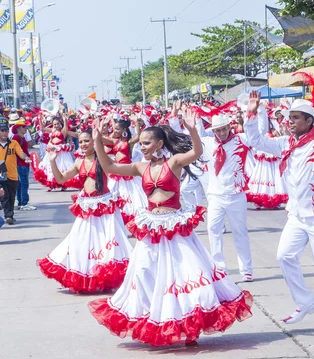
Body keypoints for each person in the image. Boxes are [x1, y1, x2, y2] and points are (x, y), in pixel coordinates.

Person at [88, 109, 253, 346]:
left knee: (185, 276)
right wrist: (97, 142)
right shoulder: (140, 168)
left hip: (175, 227)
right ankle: (152, 317)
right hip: (151, 228)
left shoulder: (174, 163)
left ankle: (190, 328)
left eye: (147, 143)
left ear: (159, 143)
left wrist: (194, 130)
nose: (142, 146)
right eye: (141, 143)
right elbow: (111, 168)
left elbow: (196, 152)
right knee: (143, 271)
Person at [244, 86, 314, 335]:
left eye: (295, 118)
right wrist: (252, 114)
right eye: (289, 118)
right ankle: (304, 303)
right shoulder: (284, 144)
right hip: (297, 214)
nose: (290, 122)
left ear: (309, 121)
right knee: (284, 256)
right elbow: (255, 140)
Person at [37, 129, 132, 292]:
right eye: (80, 141)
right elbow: (60, 179)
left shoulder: (103, 160)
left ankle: (105, 277)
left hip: (104, 207)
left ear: (94, 142)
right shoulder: (78, 162)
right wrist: (53, 161)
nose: (83, 144)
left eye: (87, 140)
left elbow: (117, 168)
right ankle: (86, 275)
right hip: (87, 206)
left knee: (107, 243)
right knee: (81, 241)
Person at [199, 113, 255, 282]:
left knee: (240, 232)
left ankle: (246, 269)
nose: (222, 133)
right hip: (216, 195)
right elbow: (192, 137)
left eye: (224, 129)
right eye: (218, 130)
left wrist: (252, 113)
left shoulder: (242, 140)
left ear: (229, 127)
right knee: (213, 230)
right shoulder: (208, 143)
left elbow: (256, 134)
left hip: (236, 194)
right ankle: (220, 267)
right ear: (213, 130)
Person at [0, 117, 31, 225]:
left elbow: (20, 153)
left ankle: (10, 215)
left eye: (5, 131)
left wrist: (25, 157)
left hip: (12, 174)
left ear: (8, 132)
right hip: (1, 176)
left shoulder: (14, 143)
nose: (4, 133)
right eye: (2, 131)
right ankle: (8, 215)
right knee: (4, 196)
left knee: (12, 197)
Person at [10, 120, 36, 211]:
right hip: (20, 164)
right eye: (24, 127)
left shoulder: (21, 137)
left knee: (20, 184)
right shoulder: (16, 138)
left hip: (22, 163)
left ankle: (21, 202)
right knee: (24, 184)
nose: (26, 128)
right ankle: (24, 203)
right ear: (18, 128)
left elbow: (30, 145)